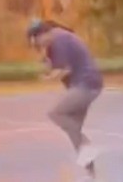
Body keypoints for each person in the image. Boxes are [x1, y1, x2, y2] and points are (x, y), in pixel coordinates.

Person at [27, 19, 102, 179]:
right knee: (74, 129)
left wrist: (46, 78)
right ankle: (92, 172)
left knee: (56, 114)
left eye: (37, 42)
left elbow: (64, 70)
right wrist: (45, 59)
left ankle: (87, 147)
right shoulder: (55, 43)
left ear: (42, 34)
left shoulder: (59, 39)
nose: (38, 46)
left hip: (86, 84)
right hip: (84, 84)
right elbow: (54, 66)